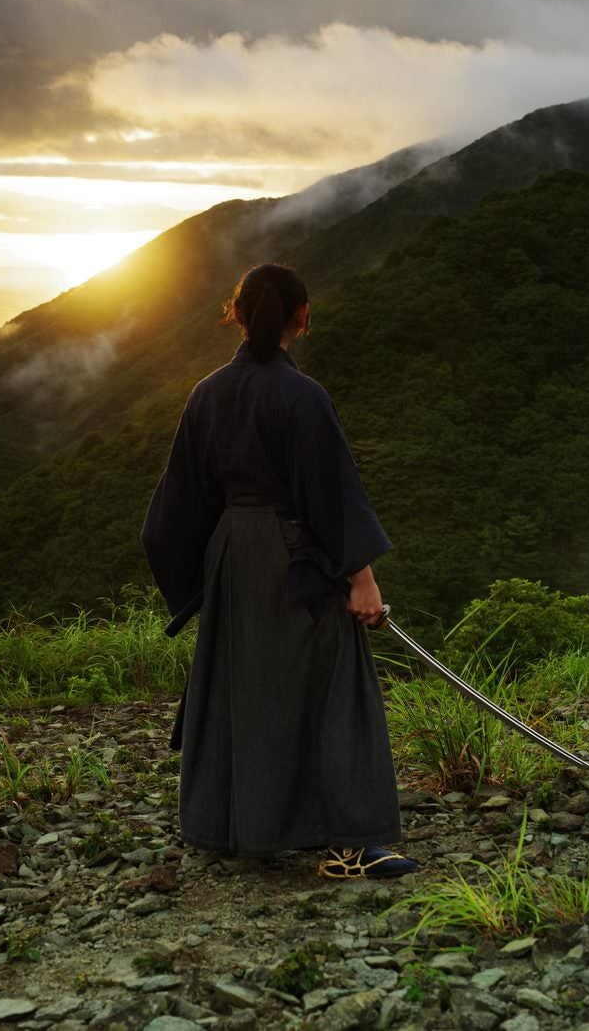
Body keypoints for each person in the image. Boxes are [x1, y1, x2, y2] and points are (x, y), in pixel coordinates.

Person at [141, 262, 417, 879]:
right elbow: (330, 494)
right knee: (334, 684)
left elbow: (173, 509)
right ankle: (353, 842)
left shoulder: (207, 393)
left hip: (232, 555)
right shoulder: (303, 396)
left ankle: (231, 828)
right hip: (295, 556)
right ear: (302, 316)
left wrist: (203, 581)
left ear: (236, 314)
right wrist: (361, 578)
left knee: (244, 685)